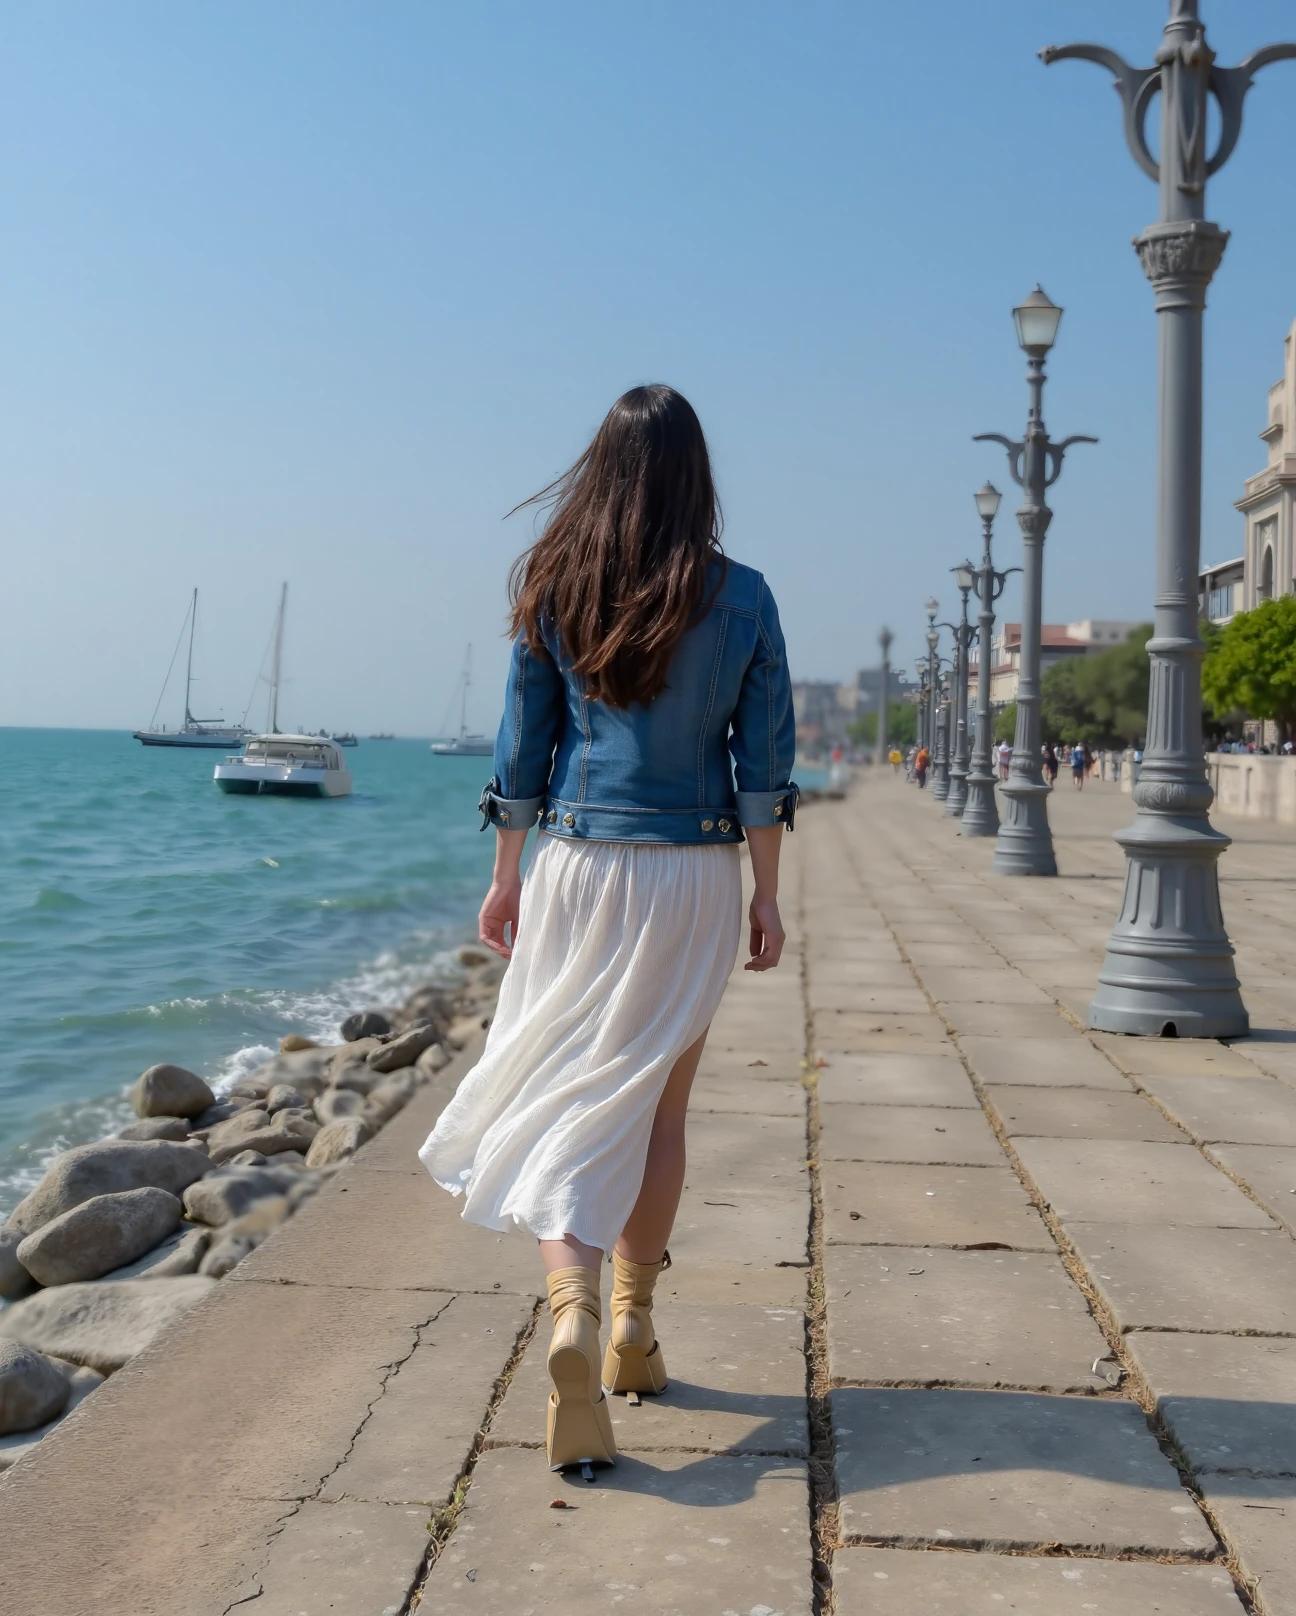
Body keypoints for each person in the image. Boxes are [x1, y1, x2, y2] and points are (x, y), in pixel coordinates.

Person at [419, 385, 796, 1477]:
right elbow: (763, 767)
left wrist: (505, 876)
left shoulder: (556, 581)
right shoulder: (747, 596)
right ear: (696, 475)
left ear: (601, 470)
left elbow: (519, 750)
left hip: (578, 867)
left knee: (564, 1097)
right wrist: (766, 894)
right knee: (658, 1104)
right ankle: (631, 1323)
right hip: (694, 873)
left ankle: (572, 1305)